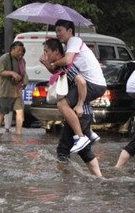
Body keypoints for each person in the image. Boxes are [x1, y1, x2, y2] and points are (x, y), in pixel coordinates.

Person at [41, 38, 102, 176]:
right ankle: (92, 178)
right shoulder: (61, 65)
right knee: (68, 149)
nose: (45, 54)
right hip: (77, 115)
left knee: (69, 149)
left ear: (56, 51)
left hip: (80, 114)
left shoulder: (68, 65)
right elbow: (56, 73)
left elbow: (81, 82)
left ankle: (68, 181)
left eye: (47, 51)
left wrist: (80, 105)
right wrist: (46, 64)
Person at [50, 19, 106, 153]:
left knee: (62, 104)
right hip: (90, 84)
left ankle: (81, 137)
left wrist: (55, 63)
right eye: (56, 31)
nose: (57, 34)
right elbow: (59, 71)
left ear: (70, 31)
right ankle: (88, 134)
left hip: (93, 84)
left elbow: (67, 61)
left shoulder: (74, 41)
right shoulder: (67, 47)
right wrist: (49, 63)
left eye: (60, 31)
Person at [0, 41, 27, 135]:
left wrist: (24, 82)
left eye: (22, 50)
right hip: (5, 91)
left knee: (20, 111)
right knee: (2, 112)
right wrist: (12, 73)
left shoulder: (20, 60)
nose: (20, 52)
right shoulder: (4, 58)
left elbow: (24, 73)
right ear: (12, 49)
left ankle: (19, 133)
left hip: (16, 90)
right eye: (18, 50)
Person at [4, 48, 28, 133]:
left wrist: (24, 83)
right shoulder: (8, 60)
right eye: (19, 53)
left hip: (18, 88)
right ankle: (7, 127)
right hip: (9, 88)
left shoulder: (22, 61)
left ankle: (19, 130)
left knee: (19, 109)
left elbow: (24, 73)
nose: (20, 55)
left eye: (22, 54)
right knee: (8, 108)